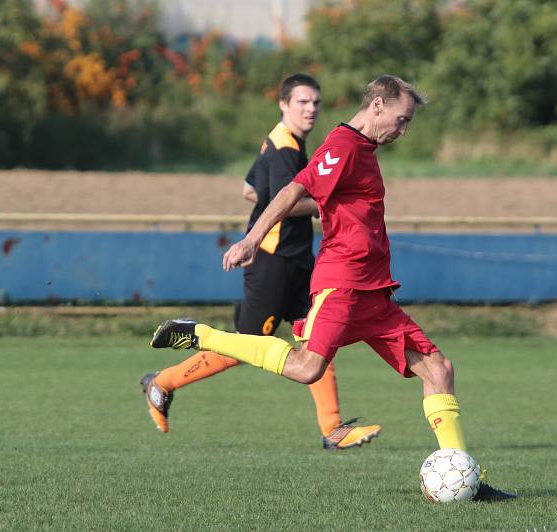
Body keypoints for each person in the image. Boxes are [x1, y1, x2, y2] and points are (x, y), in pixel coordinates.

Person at [150, 75, 516, 500]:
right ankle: (200, 334)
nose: (403, 130)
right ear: (377, 106)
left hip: (375, 293)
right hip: (341, 285)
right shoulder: (342, 145)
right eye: (400, 120)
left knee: (439, 370)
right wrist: (251, 240)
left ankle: (464, 476)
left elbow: (277, 191)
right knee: (308, 367)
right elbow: (292, 190)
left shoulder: (364, 149)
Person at [140, 73, 381, 451]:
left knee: (317, 340)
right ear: (284, 104)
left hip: (298, 261)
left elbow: (250, 188)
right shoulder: (285, 148)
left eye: (316, 102)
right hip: (273, 260)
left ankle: (333, 429)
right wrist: (332, 203)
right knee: (247, 345)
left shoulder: (280, 141)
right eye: (302, 102)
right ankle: (163, 382)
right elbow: (283, 197)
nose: (311, 109)